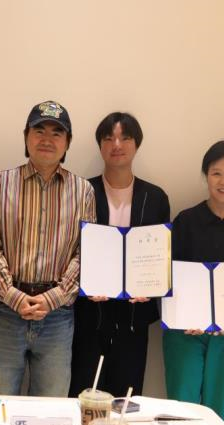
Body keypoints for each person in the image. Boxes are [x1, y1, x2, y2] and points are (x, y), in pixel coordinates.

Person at [0, 100, 96, 396]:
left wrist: (53, 298)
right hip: (5, 313)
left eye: (57, 133)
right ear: (26, 136)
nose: (47, 139)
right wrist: (14, 297)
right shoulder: (0, 183)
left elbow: (87, 253)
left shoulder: (83, 191)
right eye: (39, 130)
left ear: (67, 142)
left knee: (50, 410)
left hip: (58, 316)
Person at [162, 140, 224, 421]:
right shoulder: (185, 221)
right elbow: (168, 277)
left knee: (217, 414)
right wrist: (186, 316)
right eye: (216, 173)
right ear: (206, 175)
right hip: (185, 333)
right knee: (181, 412)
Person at [68, 112, 170, 398]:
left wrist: (152, 286)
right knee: (83, 395)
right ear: (100, 145)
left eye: (125, 138)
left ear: (136, 144)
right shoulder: (83, 190)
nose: (116, 145)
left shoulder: (155, 197)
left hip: (134, 318)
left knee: (127, 400)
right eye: (108, 138)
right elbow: (70, 247)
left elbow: (161, 255)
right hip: (89, 314)